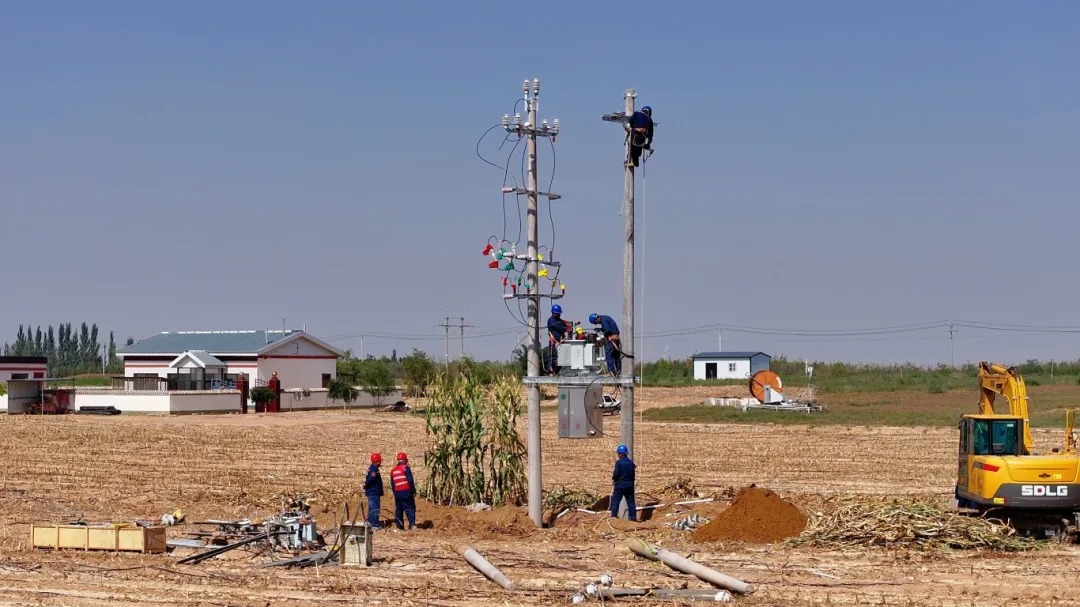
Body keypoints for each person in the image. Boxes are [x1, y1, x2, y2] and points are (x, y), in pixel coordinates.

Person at [610, 444, 637, 521]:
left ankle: (614, 516)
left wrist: (614, 479)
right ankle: (633, 518)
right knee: (631, 502)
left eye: (618, 453)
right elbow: (633, 474)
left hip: (620, 485)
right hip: (630, 485)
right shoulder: (631, 463)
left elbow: (616, 474)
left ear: (620, 454)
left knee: (616, 501)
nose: (618, 455)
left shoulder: (618, 463)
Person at [390, 451, 417, 530]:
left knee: (399, 509)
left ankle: (399, 526)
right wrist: (413, 491)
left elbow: (392, 484)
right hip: (406, 492)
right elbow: (410, 480)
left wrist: (395, 493)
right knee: (410, 508)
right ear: (405, 460)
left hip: (397, 493)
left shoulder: (393, 470)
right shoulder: (406, 468)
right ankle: (412, 525)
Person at [546, 304, 572, 374]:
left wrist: (569, 323)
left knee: (561, 356)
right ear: (553, 313)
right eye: (557, 314)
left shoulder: (558, 320)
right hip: (554, 341)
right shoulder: (551, 321)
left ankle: (558, 370)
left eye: (559, 313)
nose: (559, 315)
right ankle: (550, 371)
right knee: (552, 356)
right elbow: (561, 328)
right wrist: (567, 328)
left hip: (560, 341)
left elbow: (563, 323)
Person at [364, 452, 384, 528]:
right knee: (375, 508)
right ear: (376, 461)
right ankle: (375, 525)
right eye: (379, 461)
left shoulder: (372, 468)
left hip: (372, 491)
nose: (380, 462)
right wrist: (366, 485)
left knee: (371, 508)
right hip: (374, 492)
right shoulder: (374, 469)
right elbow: (371, 479)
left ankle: (370, 523)